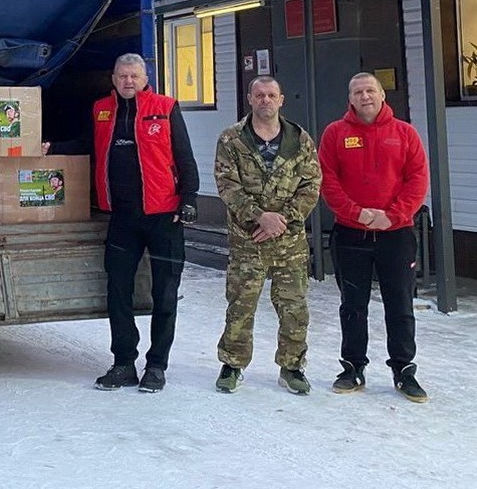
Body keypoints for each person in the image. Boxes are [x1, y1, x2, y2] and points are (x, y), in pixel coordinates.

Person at [45, 53, 199, 394]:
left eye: (134, 76)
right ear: (113, 79)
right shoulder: (101, 109)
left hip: (164, 216)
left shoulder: (166, 106)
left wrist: (189, 199)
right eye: (122, 76)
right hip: (123, 218)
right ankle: (124, 363)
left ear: (145, 78)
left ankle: (156, 365)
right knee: (118, 292)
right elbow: (87, 146)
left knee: (164, 293)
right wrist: (51, 147)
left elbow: (185, 156)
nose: (128, 81)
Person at [318, 72, 430, 403]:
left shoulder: (404, 134)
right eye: (358, 91)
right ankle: (353, 367)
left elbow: (417, 179)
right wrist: (357, 213)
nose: (365, 96)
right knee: (353, 304)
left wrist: (391, 215)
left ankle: (404, 369)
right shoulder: (335, 134)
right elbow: (328, 180)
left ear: (382, 95)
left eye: (370, 90)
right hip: (351, 234)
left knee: (400, 304)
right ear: (349, 99)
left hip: (396, 234)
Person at [213, 76, 321, 395]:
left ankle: (292, 367)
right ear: (250, 99)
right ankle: (232, 364)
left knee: (294, 307)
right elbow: (227, 185)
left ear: (281, 99)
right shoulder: (232, 139)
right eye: (259, 95)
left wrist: (281, 220)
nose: (265, 100)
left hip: (290, 243)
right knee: (240, 305)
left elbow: (311, 186)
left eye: (271, 95)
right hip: (248, 240)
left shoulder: (299, 140)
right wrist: (260, 217)